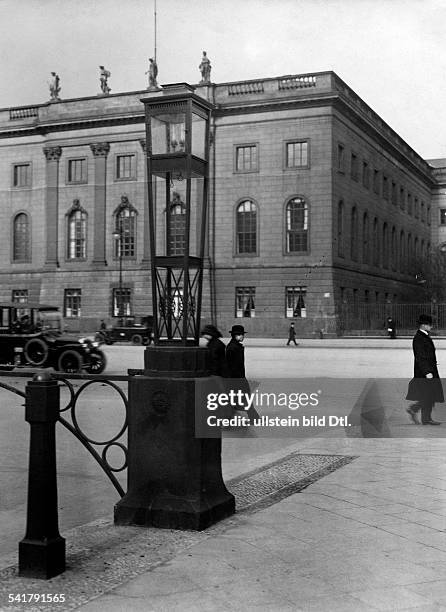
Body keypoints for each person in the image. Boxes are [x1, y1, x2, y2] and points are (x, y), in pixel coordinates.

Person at [406, 314, 443, 425]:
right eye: (429, 324)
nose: (431, 326)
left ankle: (423, 416)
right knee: (429, 394)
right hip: (424, 372)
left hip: (429, 369)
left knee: (430, 394)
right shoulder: (419, 338)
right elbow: (420, 356)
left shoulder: (424, 336)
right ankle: (420, 413)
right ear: (423, 325)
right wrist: (427, 372)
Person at [226, 325, 259, 422]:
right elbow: (231, 365)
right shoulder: (232, 348)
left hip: (237, 377)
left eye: (242, 334)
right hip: (236, 378)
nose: (242, 336)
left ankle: (253, 417)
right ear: (234, 335)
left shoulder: (235, 346)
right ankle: (254, 418)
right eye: (240, 335)